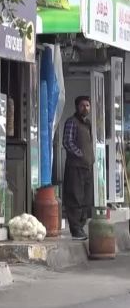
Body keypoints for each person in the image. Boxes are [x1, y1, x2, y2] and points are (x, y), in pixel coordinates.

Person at [62, 96, 94, 240]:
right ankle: (75, 229)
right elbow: (67, 142)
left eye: (87, 105)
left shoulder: (88, 124)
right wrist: (80, 154)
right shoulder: (71, 122)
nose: (85, 108)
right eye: (82, 105)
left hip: (87, 167)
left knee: (86, 199)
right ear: (77, 107)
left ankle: (81, 226)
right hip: (75, 167)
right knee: (75, 198)